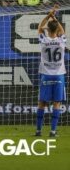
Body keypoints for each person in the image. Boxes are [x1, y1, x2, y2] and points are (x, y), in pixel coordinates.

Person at [35, 8, 66, 138]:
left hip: (46, 74)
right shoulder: (61, 40)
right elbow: (62, 31)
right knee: (57, 103)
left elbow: (39, 27)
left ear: (48, 30)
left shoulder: (44, 40)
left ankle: (38, 131)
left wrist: (49, 15)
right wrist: (55, 18)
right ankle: (53, 131)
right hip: (58, 75)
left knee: (42, 102)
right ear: (57, 30)